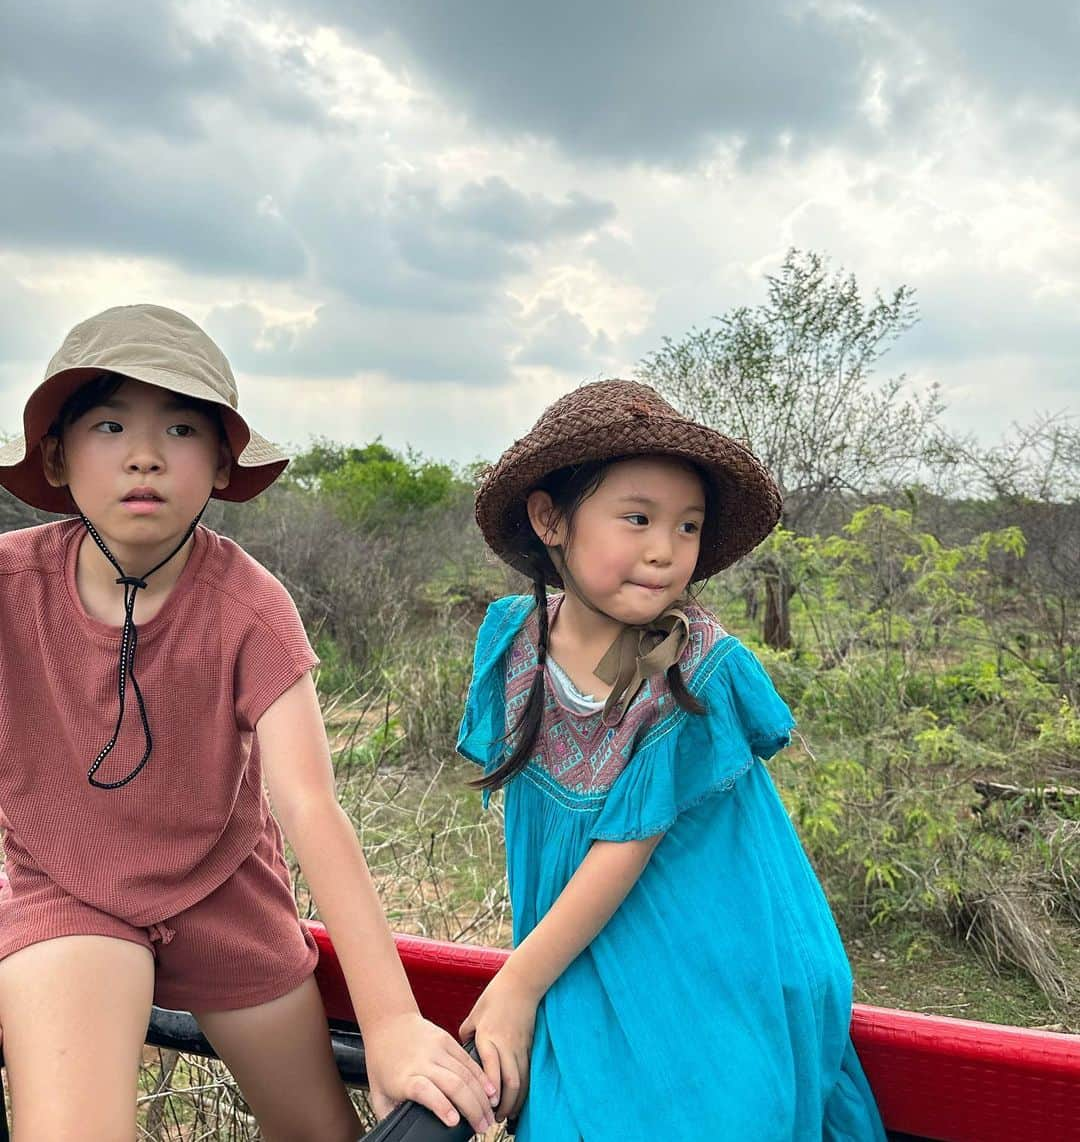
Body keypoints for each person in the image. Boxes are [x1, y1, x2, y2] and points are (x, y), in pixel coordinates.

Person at [0, 305, 497, 1141]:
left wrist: (391, 1023)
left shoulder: (250, 608)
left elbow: (308, 803)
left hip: (223, 894)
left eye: (183, 428)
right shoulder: (11, 588)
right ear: (57, 453)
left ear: (223, 461)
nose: (145, 454)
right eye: (110, 424)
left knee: (319, 1131)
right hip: (69, 886)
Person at [456, 379, 888, 1140]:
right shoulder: (512, 641)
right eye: (637, 518)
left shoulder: (697, 670)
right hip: (575, 948)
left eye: (687, 527)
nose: (665, 550)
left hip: (715, 952)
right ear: (549, 518)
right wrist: (530, 974)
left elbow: (623, 850)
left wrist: (517, 986)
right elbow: (535, 833)